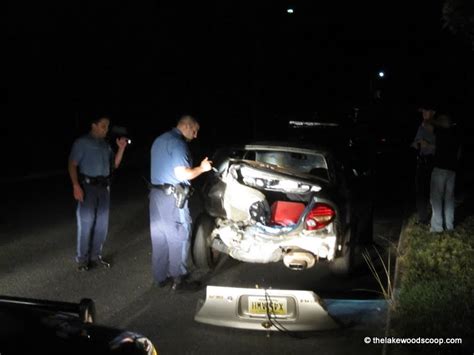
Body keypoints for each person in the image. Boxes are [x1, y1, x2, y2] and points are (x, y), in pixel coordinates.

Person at [149, 115, 212, 290]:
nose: (196, 134)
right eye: (194, 130)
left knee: (159, 236)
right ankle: (179, 279)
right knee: (179, 235)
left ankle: (161, 277)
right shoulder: (178, 143)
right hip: (173, 198)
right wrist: (202, 168)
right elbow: (183, 174)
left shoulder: (159, 140)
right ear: (185, 126)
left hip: (156, 196)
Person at [68, 116, 128, 271]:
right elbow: (72, 164)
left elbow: (114, 164)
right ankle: (82, 260)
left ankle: (95, 257)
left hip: (104, 188)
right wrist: (76, 185)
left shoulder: (105, 145)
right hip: (87, 187)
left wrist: (121, 148)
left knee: (102, 225)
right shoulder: (82, 143)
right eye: (103, 126)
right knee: (86, 223)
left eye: (107, 127)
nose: (106, 129)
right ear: (93, 125)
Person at [430, 114, 461, 233]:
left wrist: (432, 118)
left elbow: (431, 123)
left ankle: (437, 227)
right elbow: (459, 153)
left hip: (440, 169)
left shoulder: (441, 132)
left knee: (436, 198)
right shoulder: (456, 134)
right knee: (449, 199)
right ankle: (449, 226)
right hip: (452, 170)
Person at [411, 105, 436, 225]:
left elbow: (444, 146)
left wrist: (429, 145)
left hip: (434, 162)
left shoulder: (437, 127)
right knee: (420, 191)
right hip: (422, 161)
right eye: (423, 112)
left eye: (426, 111)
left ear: (433, 112)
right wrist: (418, 143)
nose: (424, 114)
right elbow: (415, 143)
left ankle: (436, 218)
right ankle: (423, 218)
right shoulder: (421, 126)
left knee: (434, 191)